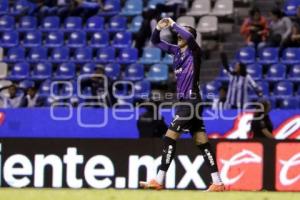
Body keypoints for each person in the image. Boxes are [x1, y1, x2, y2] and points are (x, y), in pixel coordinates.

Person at [139, 18, 225, 192]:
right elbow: (155, 41)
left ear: (190, 36)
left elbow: (188, 36)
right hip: (185, 103)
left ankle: (159, 179)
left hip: (191, 102)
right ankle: (218, 182)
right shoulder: (176, 51)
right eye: (178, 33)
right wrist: (157, 28)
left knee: (169, 137)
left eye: (182, 32)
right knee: (202, 142)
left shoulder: (195, 50)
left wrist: (172, 24)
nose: (178, 34)